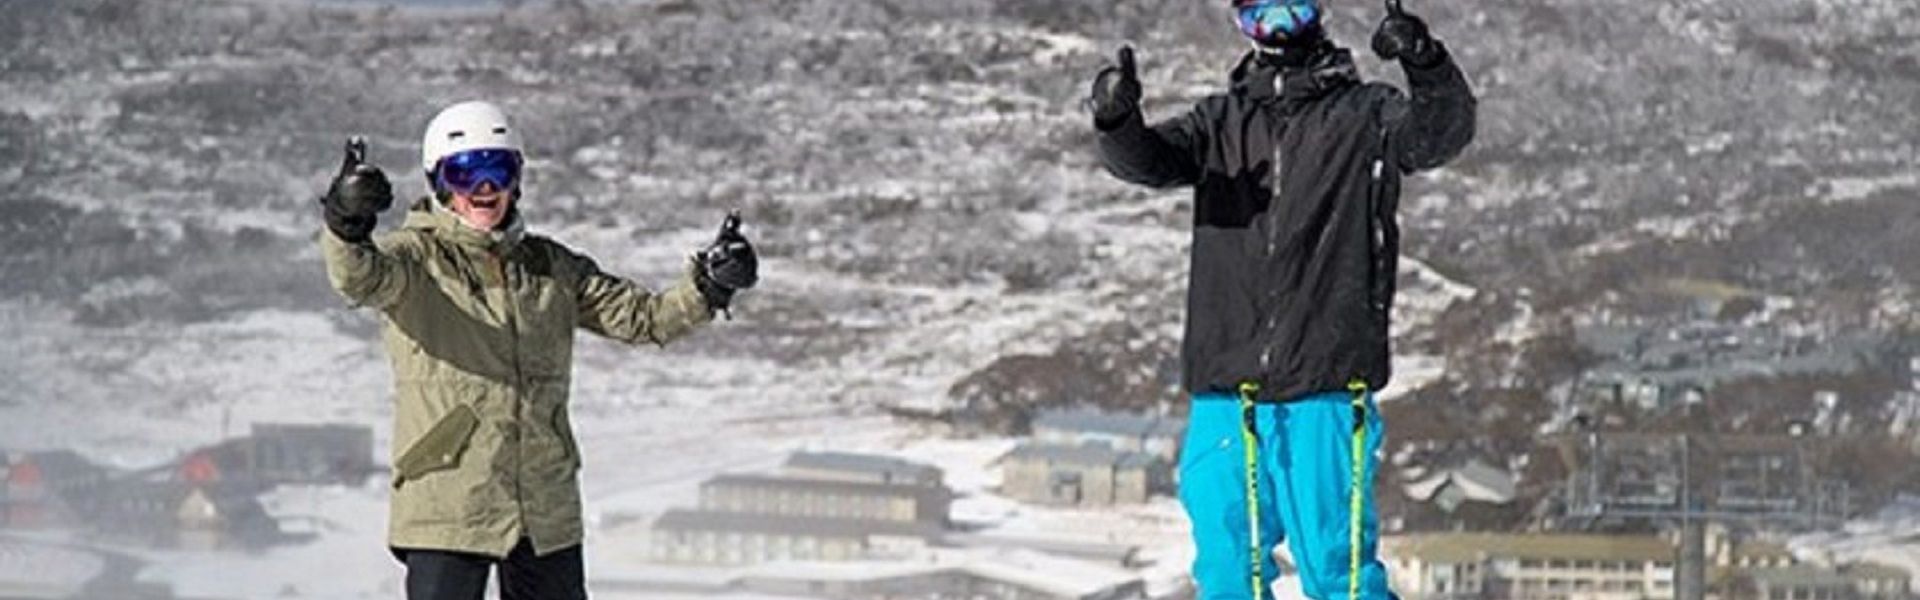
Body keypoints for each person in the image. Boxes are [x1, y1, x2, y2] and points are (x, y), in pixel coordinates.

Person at [1087, 0, 1475, 598]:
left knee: (1337, 572)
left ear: (1316, 14)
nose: (1277, 26)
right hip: (1226, 387)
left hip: (1323, 383)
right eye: (1261, 12)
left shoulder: (1366, 116)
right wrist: (1117, 122)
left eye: (1291, 8)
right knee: (1225, 572)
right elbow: (1150, 162)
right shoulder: (1218, 124)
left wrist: (1425, 61)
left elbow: (1441, 133)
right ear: (1242, 24)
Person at [316, 100, 758, 600]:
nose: (484, 188)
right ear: (439, 182)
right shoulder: (414, 260)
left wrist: (708, 287)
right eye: (465, 173)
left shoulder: (551, 267)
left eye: (497, 170)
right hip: (449, 493)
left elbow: (644, 317)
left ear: (516, 178)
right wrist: (346, 223)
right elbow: (358, 277)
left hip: (543, 504)